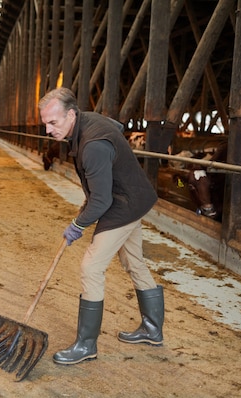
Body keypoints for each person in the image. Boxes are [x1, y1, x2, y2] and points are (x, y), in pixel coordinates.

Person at [38, 87, 164, 365]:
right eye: (45, 123)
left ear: (71, 114)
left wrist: (77, 224)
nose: (48, 130)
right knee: (135, 263)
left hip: (122, 205)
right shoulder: (88, 121)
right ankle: (153, 330)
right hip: (135, 197)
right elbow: (115, 128)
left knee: (91, 268)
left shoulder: (93, 145)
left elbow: (101, 201)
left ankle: (86, 345)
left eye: (53, 123)